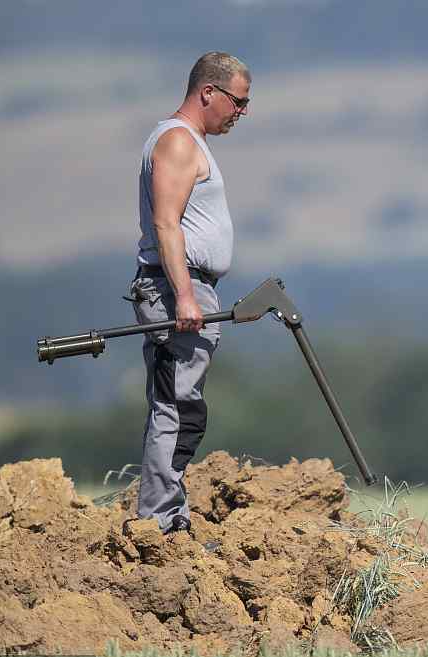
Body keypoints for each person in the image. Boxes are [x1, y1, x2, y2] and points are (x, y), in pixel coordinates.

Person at [129, 52, 251, 534]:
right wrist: (184, 295)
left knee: (183, 405)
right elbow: (165, 222)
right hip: (177, 288)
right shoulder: (179, 142)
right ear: (208, 93)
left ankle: (165, 511)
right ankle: (159, 522)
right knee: (177, 407)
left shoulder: (189, 141)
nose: (242, 112)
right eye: (238, 101)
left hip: (190, 286)